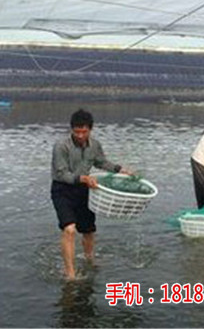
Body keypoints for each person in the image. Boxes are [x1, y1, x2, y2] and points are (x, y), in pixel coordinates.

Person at [51, 109, 131, 280]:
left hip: (84, 189)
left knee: (88, 231)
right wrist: (82, 178)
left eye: (84, 131)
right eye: (77, 131)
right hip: (62, 189)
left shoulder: (94, 145)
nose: (80, 135)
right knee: (69, 229)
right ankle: (70, 273)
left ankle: (89, 259)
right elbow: (60, 173)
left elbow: (101, 162)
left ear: (90, 130)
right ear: (71, 129)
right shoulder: (61, 146)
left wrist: (120, 170)